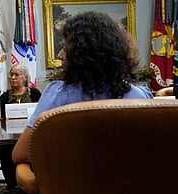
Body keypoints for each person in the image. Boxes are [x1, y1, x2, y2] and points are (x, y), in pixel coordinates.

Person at [12, 11, 153, 166]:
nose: (59, 55)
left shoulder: (56, 94)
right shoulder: (138, 96)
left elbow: (21, 153)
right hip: (130, 188)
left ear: (81, 54)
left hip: (71, 188)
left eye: (65, 48)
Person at [0, 64, 41, 189]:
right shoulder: (5, 97)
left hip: (30, 135)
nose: (13, 77)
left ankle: (32, 180)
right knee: (4, 148)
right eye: (11, 74)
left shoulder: (35, 94)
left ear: (25, 78)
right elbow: (0, 119)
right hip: (9, 136)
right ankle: (12, 182)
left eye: (17, 74)